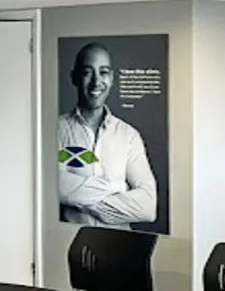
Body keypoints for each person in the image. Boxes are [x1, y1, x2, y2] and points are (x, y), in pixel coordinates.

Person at [56, 42, 157, 229]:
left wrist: (79, 200)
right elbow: (55, 186)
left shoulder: (129, 136)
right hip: (69, 240)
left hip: (119, 243)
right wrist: (118, 189)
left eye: (103, 72)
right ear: (74, 77)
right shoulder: (55, 130)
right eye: (87, 72)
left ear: (111, 78)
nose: (96, 82)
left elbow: (148, 208)